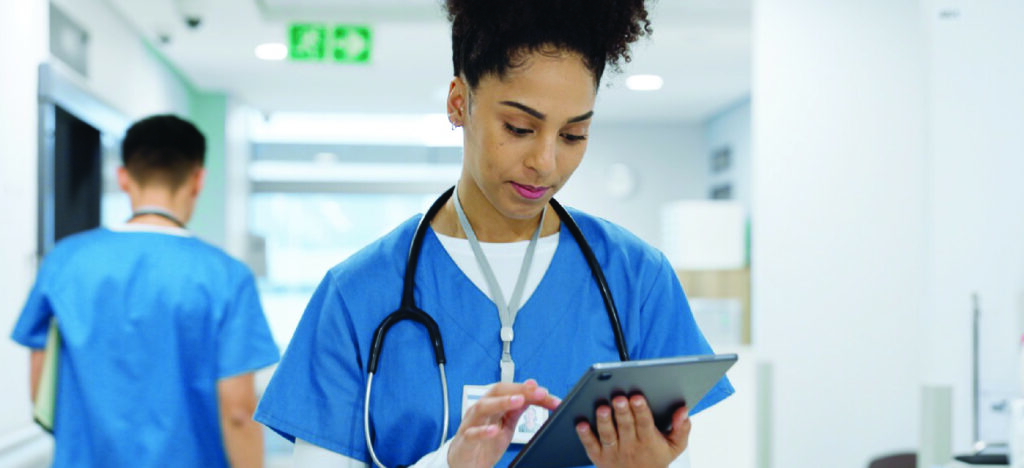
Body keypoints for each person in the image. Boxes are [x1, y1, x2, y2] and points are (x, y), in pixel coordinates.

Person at [254, 1, 733, 466]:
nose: (545, 162)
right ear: (459, 102)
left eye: (573, 135)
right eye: (520, 127)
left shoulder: (637, 281)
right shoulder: (357, 294)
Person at [10, 114, 280, 468]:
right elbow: (238, 411)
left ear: (124, 177)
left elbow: (41, 387)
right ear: (198, 179)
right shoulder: (226, 276)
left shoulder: (65, 261)